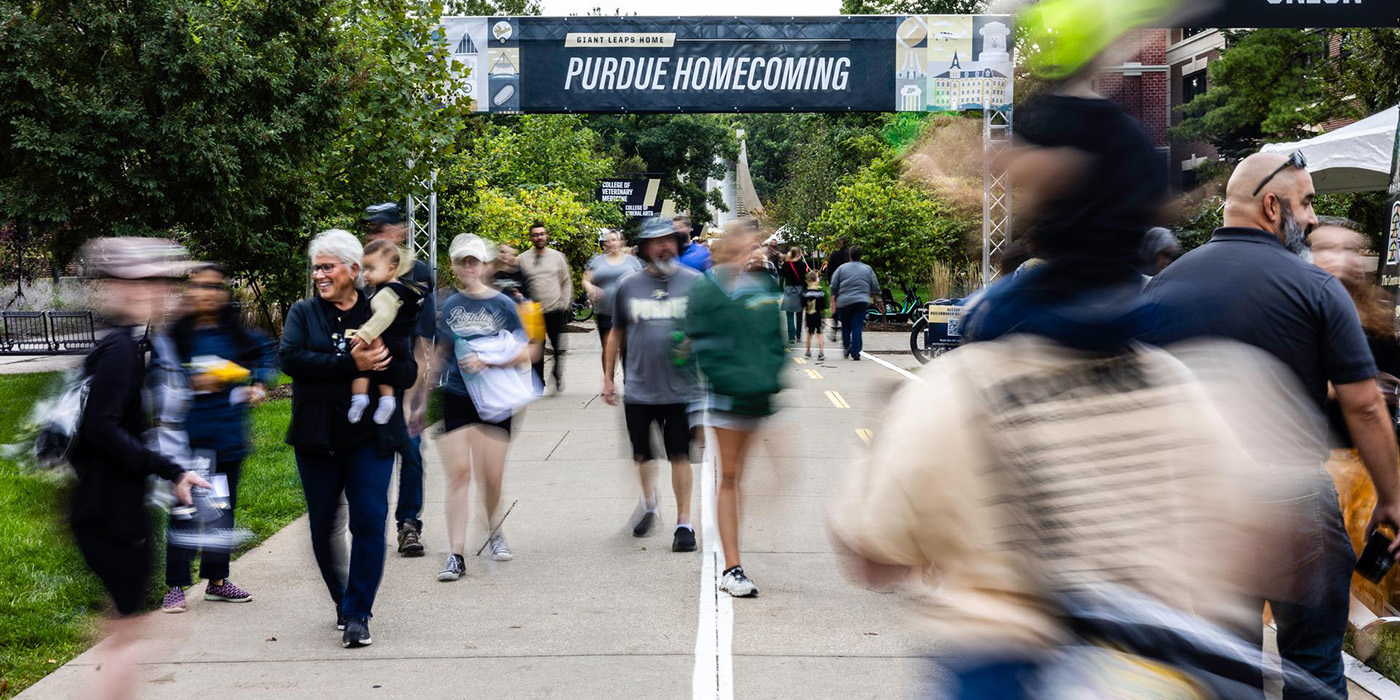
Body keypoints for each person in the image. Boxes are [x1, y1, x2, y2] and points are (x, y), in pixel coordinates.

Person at [1146, 152, 1400, 698]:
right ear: (1271, 205)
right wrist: (1392, 498)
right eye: (1305, 203)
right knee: (1313, 667)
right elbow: (1364, 406)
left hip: (1201, 504)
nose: (1311, 218)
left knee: (1225, 668)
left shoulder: (1163, 288)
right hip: (1294, 500)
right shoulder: (1315, 288)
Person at [69, 238, 209, 699]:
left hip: (100, 502)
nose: (159, 292)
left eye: (161, 283)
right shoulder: (120, 351)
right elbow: (102, 428)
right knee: (127, 630)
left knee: (122, 624)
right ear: (123, 288)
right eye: (149, 282)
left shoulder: (116, 343)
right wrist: (169, 468)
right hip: (111, 508)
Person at [280, 229, 418, 648]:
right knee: (324, 527)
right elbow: (291, 359)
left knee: (369, 522)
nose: (319, 275)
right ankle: (341, 600)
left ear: (353, 269)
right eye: (316, 268)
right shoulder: (303, 313)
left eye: (327, 267)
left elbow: (407, 371)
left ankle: (359, 612)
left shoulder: (379, 308)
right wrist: (349, 363)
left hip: (369, 439)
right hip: (317, 438)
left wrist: (383, 363)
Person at [161, 263, 275, 613]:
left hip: (227, 436)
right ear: (190, 292)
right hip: (190, 439)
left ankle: (217, 581)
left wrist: (258, 383)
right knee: (185, 509)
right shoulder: (178, 336)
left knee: (221, 509)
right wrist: (189, 382)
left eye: (215, 287)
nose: (208, 294)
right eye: (200, 287)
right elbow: (158, 378)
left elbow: (266, 353)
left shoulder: (235, 334)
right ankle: (175, 586)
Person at [686, 218, 786, 597]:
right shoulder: (706, 289)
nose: (751, 251)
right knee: (730, 477)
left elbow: (774, 343)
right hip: (726, 397)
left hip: (758, 396)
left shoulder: (761, 287)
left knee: (767, 478)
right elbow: (693, 344)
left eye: (754, 245)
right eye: (745, 244)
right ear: (728, 246)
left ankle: (733, 561)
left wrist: (769, 384)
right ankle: (732, 568)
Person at [427, 234, 535, 581]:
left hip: (495, 400)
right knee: (459, 474)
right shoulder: (447, 305)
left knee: (491, 477)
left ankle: (494, 531)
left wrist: (489, 361)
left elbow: (528, 351)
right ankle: (455, 554)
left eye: (474, 261)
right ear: (454, 266)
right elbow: (440, 352)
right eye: (462, 261)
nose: (468, 267)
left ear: (485, 265)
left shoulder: (503, 304)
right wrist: (420, 394)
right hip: (458, 396)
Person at [601, 218, 702, 552]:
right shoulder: (628, 285)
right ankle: (649, 505)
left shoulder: (696, 283)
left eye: (669, 240)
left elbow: (713, 328)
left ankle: (684, 524)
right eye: (656, 241)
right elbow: (616, 332)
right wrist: (608, 377)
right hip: (639, 388)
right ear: (644, 248)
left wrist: (694, 341)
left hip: (681, 389)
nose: (664, 246)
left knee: (679, 455)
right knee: (642, 455)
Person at [365, 202, 431, 558]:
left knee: (412, 453)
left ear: (401, 231)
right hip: (367, 382)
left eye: (383, 228)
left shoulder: (418, 274)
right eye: (372, 229)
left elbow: (423, 341)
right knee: (370, 456)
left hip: (405, 378)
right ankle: (369, 526)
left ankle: (408, 525)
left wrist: (415, 397)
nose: (376, 235)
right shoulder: (363, 270)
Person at [1310, 217, 1400, 436]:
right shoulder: (1292, 311)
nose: (1341, 257)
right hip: (1316, 442)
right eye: (1327, 248)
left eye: (1350, 249)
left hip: (1369, 440)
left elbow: (1391, 370)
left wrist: (1389, 386)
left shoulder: (1376, 315)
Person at [347, 239, 429, 426]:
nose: (365, 274)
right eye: (364, 269)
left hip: (384, 341)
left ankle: (359, 399)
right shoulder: (402, 290)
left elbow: (384, 316)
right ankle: (387, 401)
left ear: (391, 269)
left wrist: (365, 334)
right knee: (386, 374)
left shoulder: (385, 293)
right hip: (401, 344)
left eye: (370, 269)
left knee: (361, 368)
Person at [520, 221, 572, 394]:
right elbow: (517, 284)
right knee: (536, 351)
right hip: (533, 313)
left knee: (557, 347)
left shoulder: (557, 257)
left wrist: (563, 304)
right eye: (535, 235)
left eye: (541, 234)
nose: (539, 237)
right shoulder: (522, 259)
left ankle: (557, 373)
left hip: (554, 310)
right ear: (531, 238)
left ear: (546, 236)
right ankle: (537, 385)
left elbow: (566, 281)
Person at [584, 229, 643, 363]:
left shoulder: (632, 262)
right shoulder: (597, 261)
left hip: (627, 313)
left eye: (614, 240)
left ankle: (628, 376)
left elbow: (641, 281)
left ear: (621, 242)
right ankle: (608, 376)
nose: (611, 243)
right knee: (607, 349)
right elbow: (586, 280)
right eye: (608, 241)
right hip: (605, 312)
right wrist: (591, 288)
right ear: (605, 243)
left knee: (628, 350)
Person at [829, 247, 879, 361]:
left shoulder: (841, 268)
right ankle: (856, 352)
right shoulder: (868, 269)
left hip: (844, 301)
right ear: (861, 256)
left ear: (850, 255)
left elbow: (834, 285)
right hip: (861, 301)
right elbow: (875, 285)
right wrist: (879, 300)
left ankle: (846, 346)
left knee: (846, 325)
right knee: (857, 326)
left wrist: (833, 300)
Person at [778, 247, 811, 345]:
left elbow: (782, 276)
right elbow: (805, 278)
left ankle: (791, 337)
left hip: (788, 290)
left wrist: (781, 289)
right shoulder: (802, 263)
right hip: (799, 290)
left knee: (789, 315)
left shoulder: (787, 264)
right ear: (798, 254)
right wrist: (806, 290)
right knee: (799, 314)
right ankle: (798, 336)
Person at [822, 237, 851, 341]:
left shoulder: (835, 255)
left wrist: (829, 281)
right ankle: (846, 329)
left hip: (837, 284)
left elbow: (830, 270)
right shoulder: (849, 255)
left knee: (835, 306)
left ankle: (835, 325)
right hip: (848, 284)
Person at [801, 270, 827, 360]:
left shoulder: (805, 293)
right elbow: (823, 307)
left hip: (809, 315)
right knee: (819, 333)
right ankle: (821, 352)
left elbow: (803, 306)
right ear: (816, 280)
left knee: (809, 333)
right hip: (818, 315)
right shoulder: (821, 294)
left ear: (808, 281)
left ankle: (808, 351)